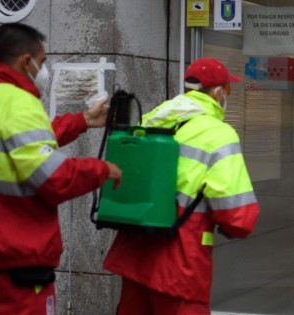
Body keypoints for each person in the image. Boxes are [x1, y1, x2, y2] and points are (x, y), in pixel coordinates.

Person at [0, 23, 122, 315]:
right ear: (25, 61)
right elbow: (54, 179)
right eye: (42, 62)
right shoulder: (19, 104)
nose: (44, 70)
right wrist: (102, 169)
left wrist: (83, 121)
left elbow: (20, 144)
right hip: (11, 261)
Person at [103, 58, 260, 314]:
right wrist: (235, 227)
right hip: (181, 260)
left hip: (136, 251)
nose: (227, 95)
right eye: (228, 89)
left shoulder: (156, 118)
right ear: (218, 92)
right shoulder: (218, 134)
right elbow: (237, 214)